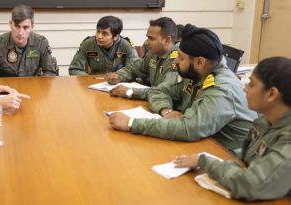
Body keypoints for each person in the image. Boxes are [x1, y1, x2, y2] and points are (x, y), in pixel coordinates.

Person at [109, 24, 257, 154]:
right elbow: (158, 91)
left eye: (180, 57)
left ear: (200, 62)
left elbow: (189, 128)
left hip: (227, 155)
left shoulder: (222, 89)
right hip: (201, 144)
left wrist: (131, 123)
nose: (175, 60)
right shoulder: (196, 73)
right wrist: (165, 111)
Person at [174, 57, 291, 201]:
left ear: (272, 94)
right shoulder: (266, 120)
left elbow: (251, 185)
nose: (245, 88)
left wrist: (205, 162)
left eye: (252, 85)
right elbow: (246, 157)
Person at [106, 17, 179, 100]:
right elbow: (135, 69)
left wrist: (130, 92)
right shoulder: (153, 54)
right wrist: (118, 75)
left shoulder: (178, 60)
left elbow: (165, 92)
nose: (145, 43)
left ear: (167, 40)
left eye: (151, 38)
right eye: (147, 37)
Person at [0, 4, 58, 77]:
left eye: (25, 27)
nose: (20, 32)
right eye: (17, 26)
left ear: (32, 27)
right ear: (10, 24)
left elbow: (50, 73)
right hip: (3, 89)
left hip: (32, 88)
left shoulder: (41, 42)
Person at [68, 16, 138, 75]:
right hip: (93, 83)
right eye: (98, 31)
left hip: (118, 84)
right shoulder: (87, 44)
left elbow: (134, 70)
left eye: (105, 33)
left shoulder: (126, 45)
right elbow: (74, 69)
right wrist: (88, 79)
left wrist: (118, 77)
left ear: (115, 36)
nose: (99, 36)